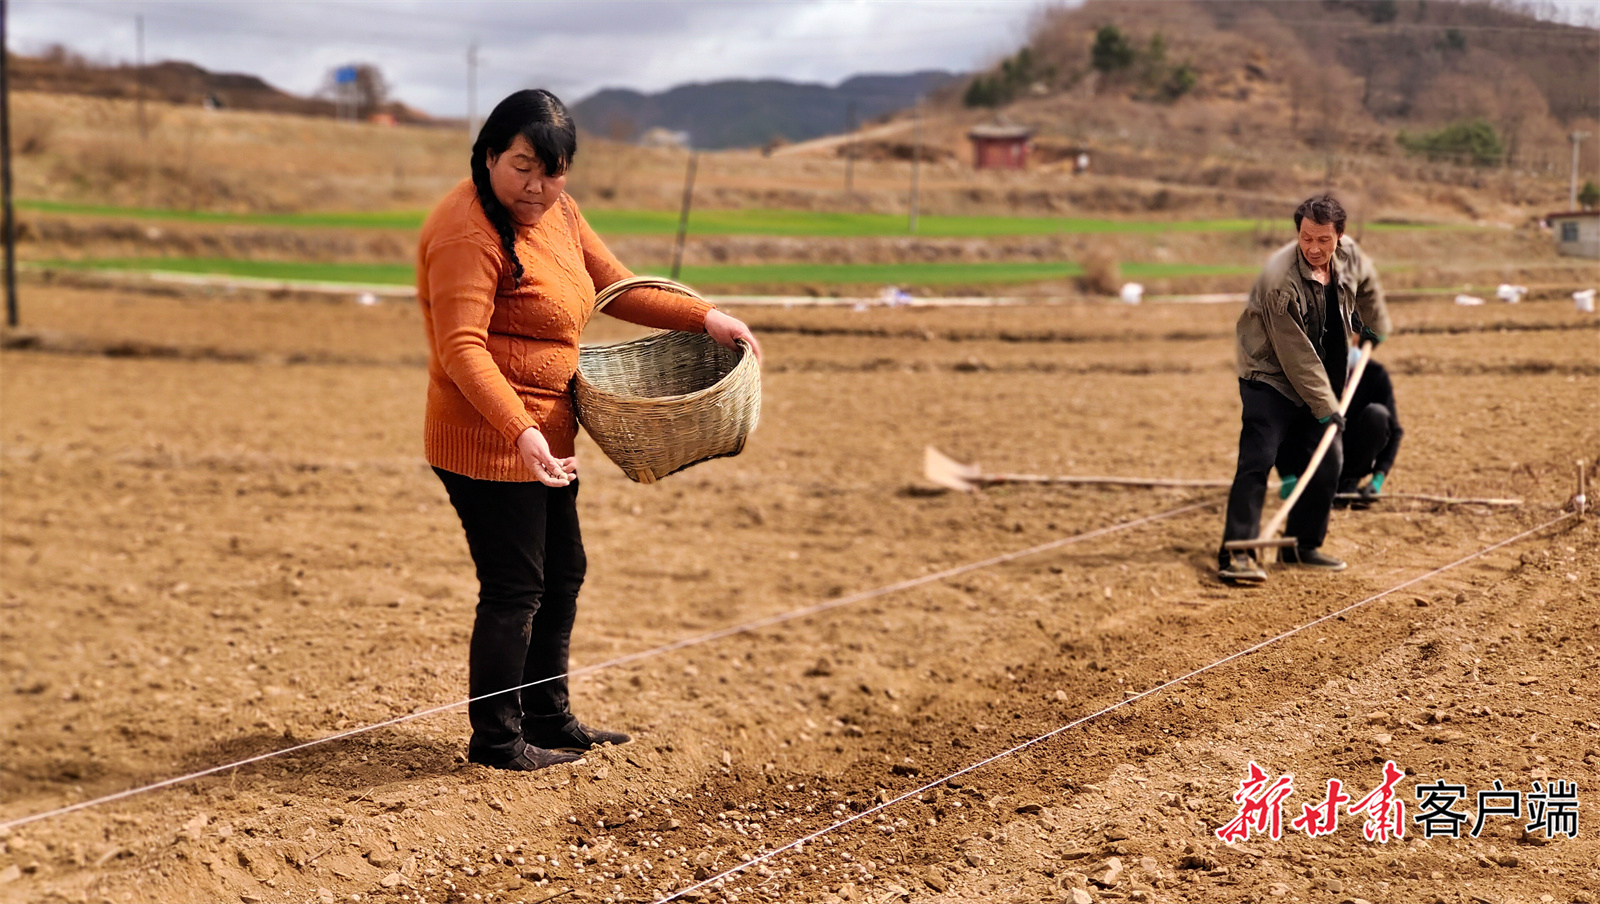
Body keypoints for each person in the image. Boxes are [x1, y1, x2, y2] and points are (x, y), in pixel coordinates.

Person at [417, 89, 761, 770]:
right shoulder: (470, 232)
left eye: (553, 171)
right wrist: (519, 430)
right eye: (522, 167)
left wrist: (706, 317)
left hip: (547, 432)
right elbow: (461, 348)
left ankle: (548, 718)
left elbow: (618, 288)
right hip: (487, 435)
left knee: (564, 571)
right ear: (490, 155)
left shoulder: (558, 213)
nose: (538, 186)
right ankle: (497, 742)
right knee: (515, 586)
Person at [1218, 194, 1390, 584]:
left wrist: (1372, 323)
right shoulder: (1279, 281)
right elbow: (1295, 355)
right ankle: (1236, 553)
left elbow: (1367, 286)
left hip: (1321, 370)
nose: (1314, 248)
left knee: (1328, 459)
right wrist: (1326, 405)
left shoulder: (1350, 256)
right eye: (1306, 238)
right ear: (1298, 233)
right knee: (1258, 459)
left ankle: (1301, 545)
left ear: (1340, 237)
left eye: (1323, 240)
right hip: (1269, 375)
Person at [1277, 353, 1404, 511]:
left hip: (1351, 458)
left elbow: (1395, 432)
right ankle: (1315, 486)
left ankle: (1347, 484)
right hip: (1313, 462)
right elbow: (1281, 423)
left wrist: (1378, 478)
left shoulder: (1374, 373)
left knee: (1378, 415)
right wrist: (1287, 475)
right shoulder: (1310, 370)